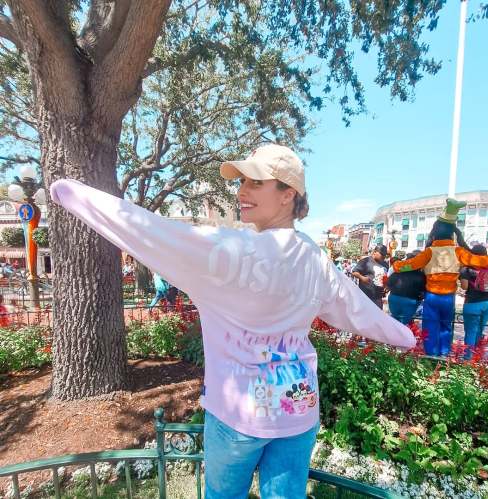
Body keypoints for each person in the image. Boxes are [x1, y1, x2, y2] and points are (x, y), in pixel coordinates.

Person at [50, 144, 415, 499]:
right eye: (241, 181)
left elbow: (146, 230)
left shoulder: (226, 252)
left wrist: (74, 194)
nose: (242, 190)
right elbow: (358, 311)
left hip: (238, 415)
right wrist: (405, 336)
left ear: (288, 194)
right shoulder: (315, 258)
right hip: (297, 409)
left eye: (256, 182)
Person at [393, 200, 488, 357]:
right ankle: (443, 354)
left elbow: (409, 265)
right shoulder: (458, 251)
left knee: (430, 326)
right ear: (452, 234)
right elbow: (481, 261)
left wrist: (396, 265)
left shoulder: (429, 252)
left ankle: (431, 355)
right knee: (446, 327)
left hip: (431, 297)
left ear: (435, 234)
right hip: (449, 297)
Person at [459, 244, 488, 360]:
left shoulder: (466, 269)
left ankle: (467, 359)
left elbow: (464, 287)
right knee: (479, 329)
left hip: (472, 303)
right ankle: (477, 356)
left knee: (471, 331)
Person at [387, 251, 426, 325]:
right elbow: (423, 291)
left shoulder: (398, 271)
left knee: (394, 322)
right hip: (410, 301)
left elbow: (389, 283)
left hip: (394, 298)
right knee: (404, 324)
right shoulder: (421, 275)